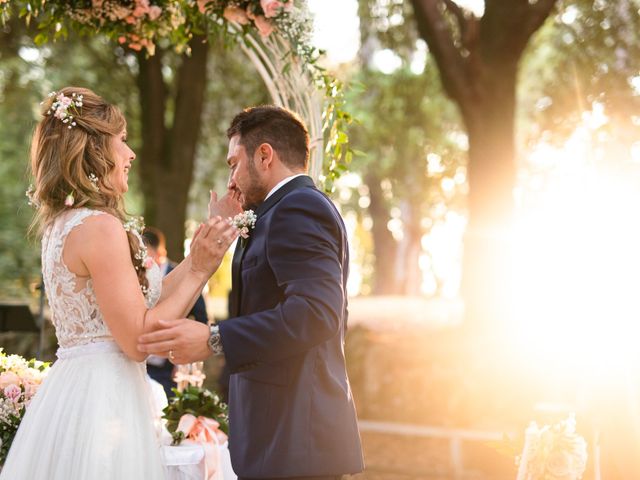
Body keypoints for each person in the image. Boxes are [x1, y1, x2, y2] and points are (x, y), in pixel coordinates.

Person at [0, 87, 238, 480]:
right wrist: (198, 270)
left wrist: (201, 258)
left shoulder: (65, 224)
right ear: (95, 150)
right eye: (122, 141)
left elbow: (150, 300)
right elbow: (138, 338)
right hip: (103, 401)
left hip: (78, 391)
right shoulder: (99, 227)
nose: (130, 155)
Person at [139, 105, 365, 480]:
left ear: (264, 155)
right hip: (275, 436)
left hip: (296, 439)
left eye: (233, 163)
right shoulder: (274, 212)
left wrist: (214, 339)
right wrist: (223, 228)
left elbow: (317, 314)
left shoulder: (299, 208)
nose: (230, 179)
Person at [142, 226, 209, 397]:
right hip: (142, 361)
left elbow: (200, 318)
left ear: (159, 252)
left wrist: (183, 363)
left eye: (147, 252)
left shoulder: (180, 274)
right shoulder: (138, 275)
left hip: (169, 366)